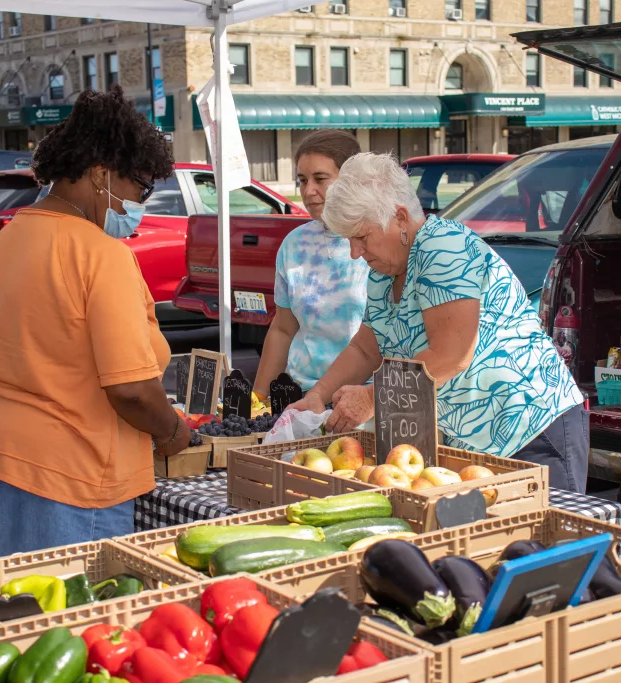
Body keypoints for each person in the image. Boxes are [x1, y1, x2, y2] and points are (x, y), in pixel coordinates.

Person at [0, 87, 191, 568]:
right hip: (64, 476)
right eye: (142, 187)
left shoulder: (6, 241)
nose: (143, 203)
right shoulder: (102, 254)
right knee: (60, 627)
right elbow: (131, 388)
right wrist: (173, 431)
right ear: (100, 175)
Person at [288, 153, 588, 492]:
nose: (355, 252)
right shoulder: (384, 271)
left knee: (546, 540)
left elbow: (451, 354)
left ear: (400, 218)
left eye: (361, 236)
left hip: (529, 427)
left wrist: (372, 398)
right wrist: (318, 395)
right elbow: (365, 348)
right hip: (474, 442)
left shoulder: (443, 246)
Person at [252, 130, 369, 399]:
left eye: (320, 179)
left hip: (361, 398)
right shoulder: (294, 244)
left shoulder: (376, 242)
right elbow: (283, 329)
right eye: (302, 180)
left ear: (352, 180)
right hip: (301, 396)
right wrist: (256, 399)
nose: (308, 191)